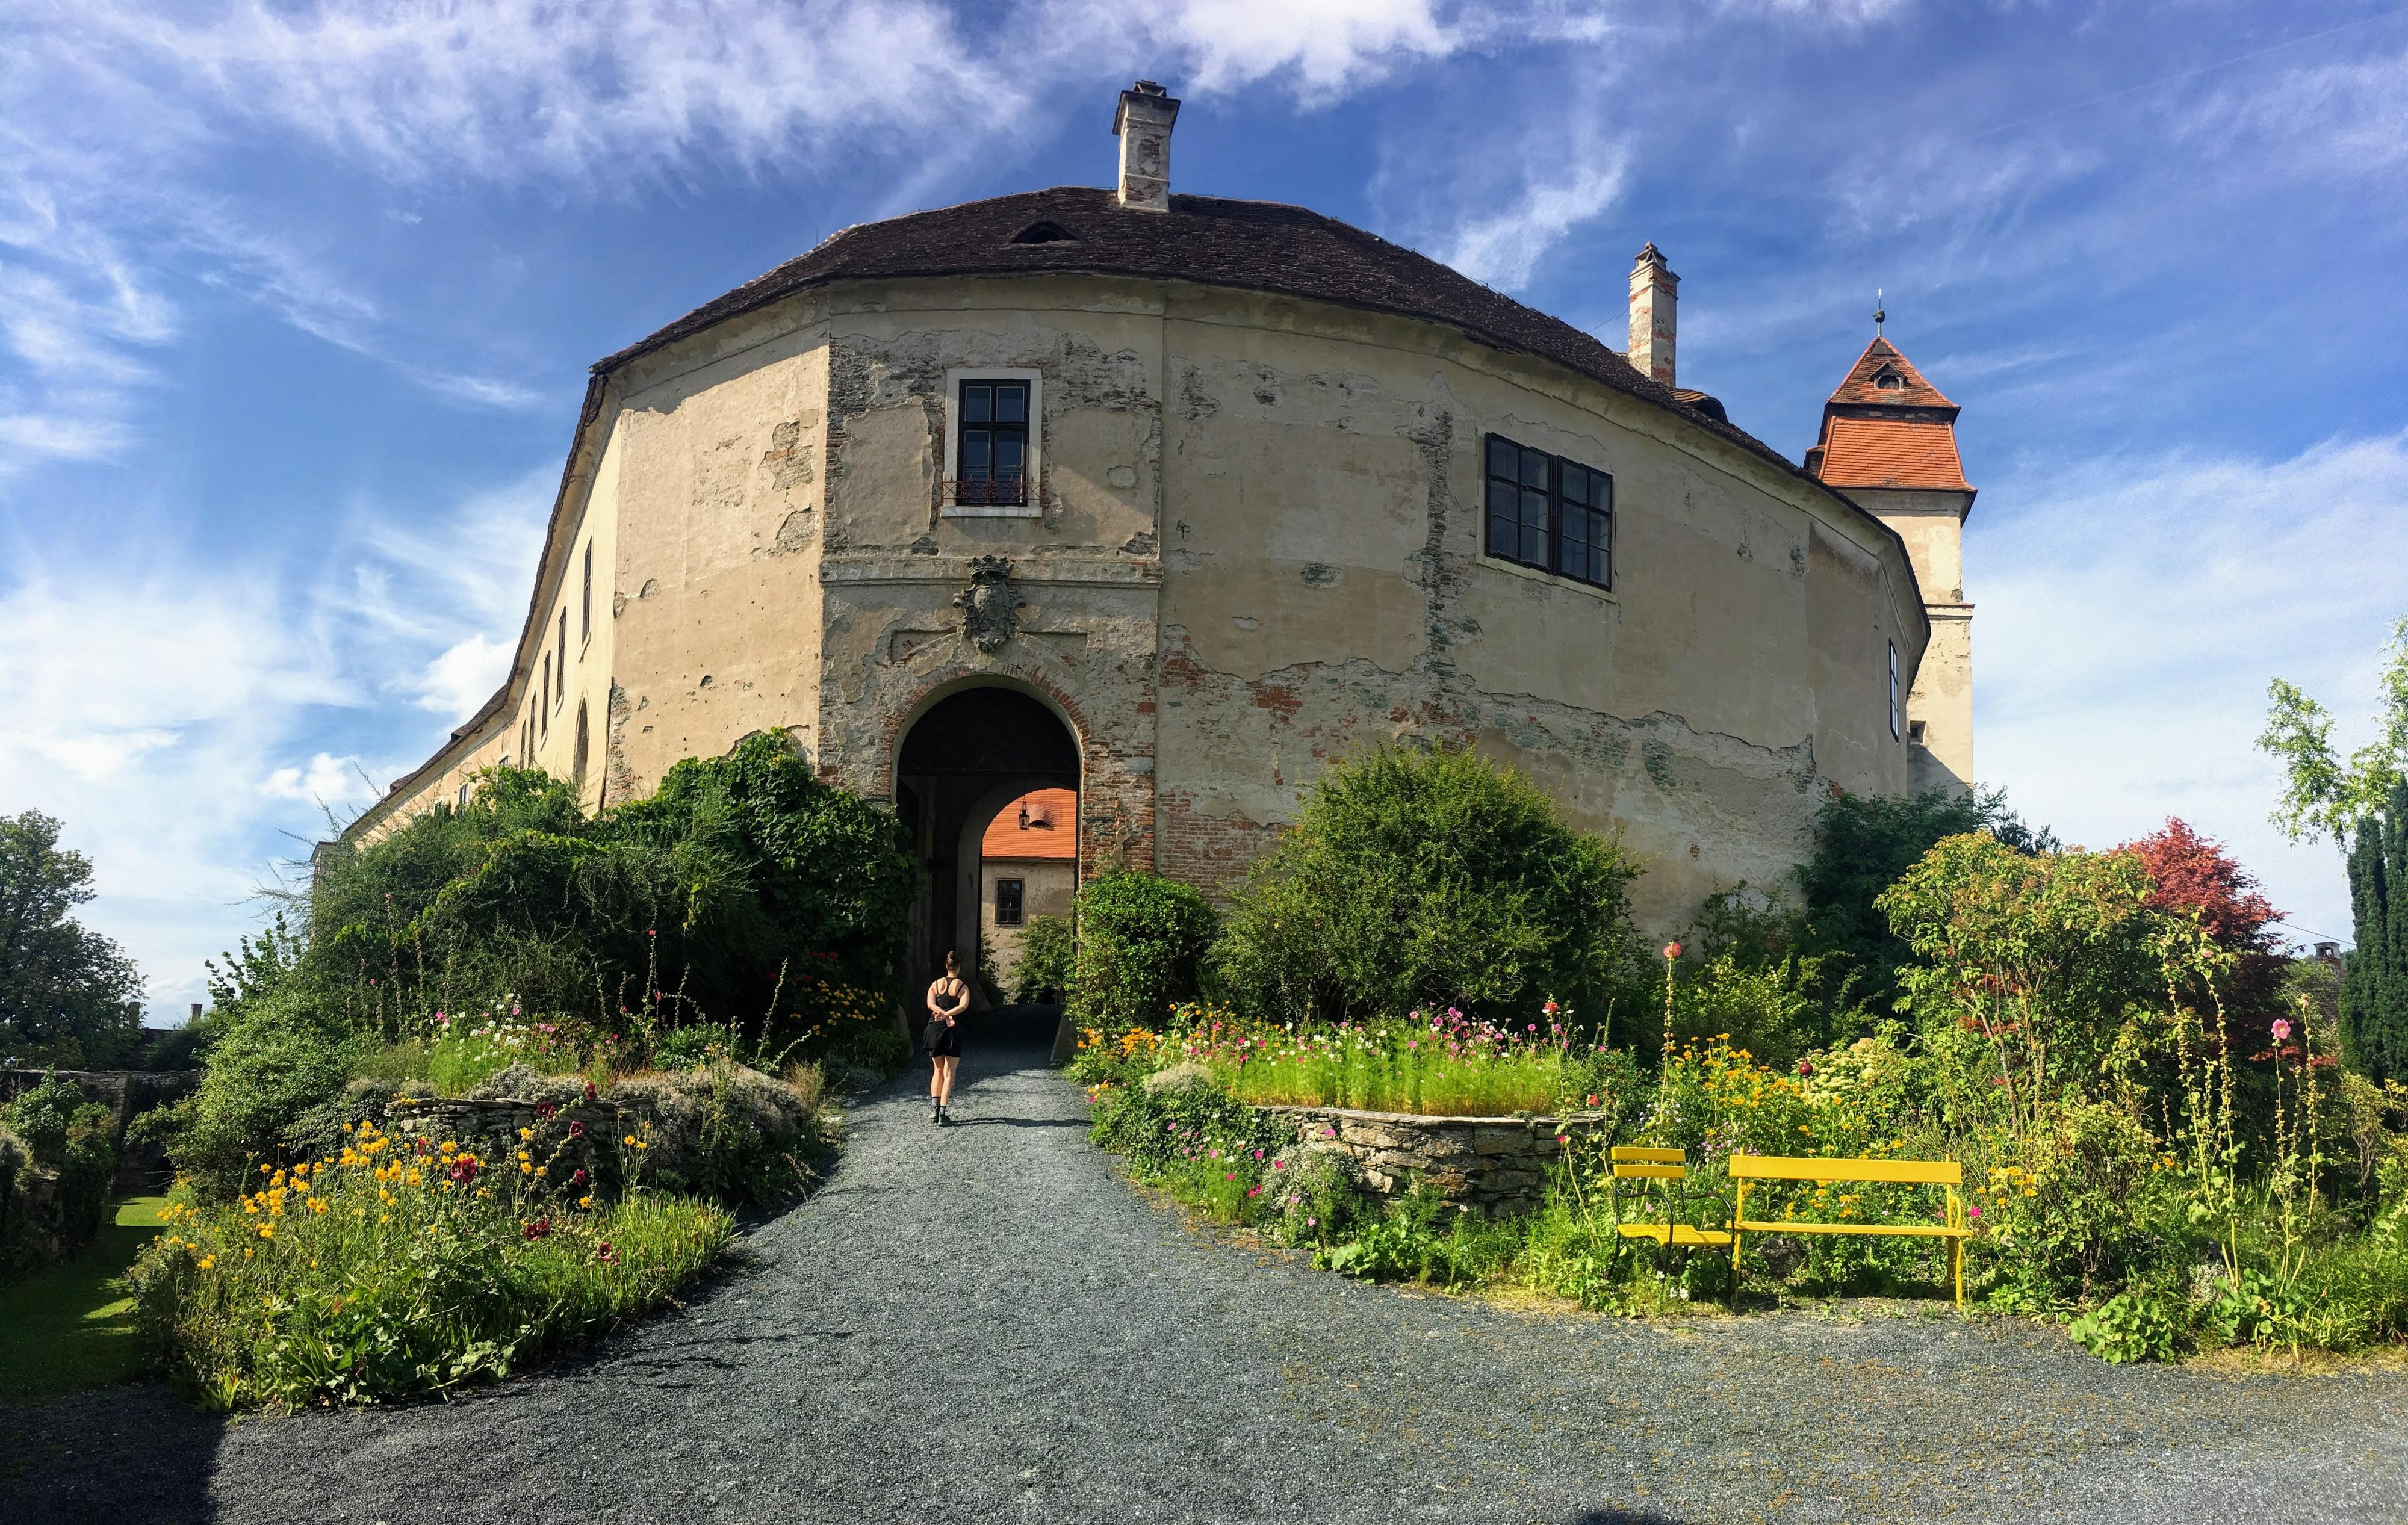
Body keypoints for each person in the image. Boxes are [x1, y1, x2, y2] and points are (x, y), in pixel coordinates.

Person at [923, 951, 970, 1125]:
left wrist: (942, 1014)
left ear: (946, 966)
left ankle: (935, 1111)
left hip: (934, 1029)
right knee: (950, 1072)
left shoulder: (935, 984)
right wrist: (949, 1016)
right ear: (958, 967)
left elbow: (930, 1004)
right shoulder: (962, 987)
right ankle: (943, 1114)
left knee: (937, 1071)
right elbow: (964, 1006)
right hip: (951, 1031)